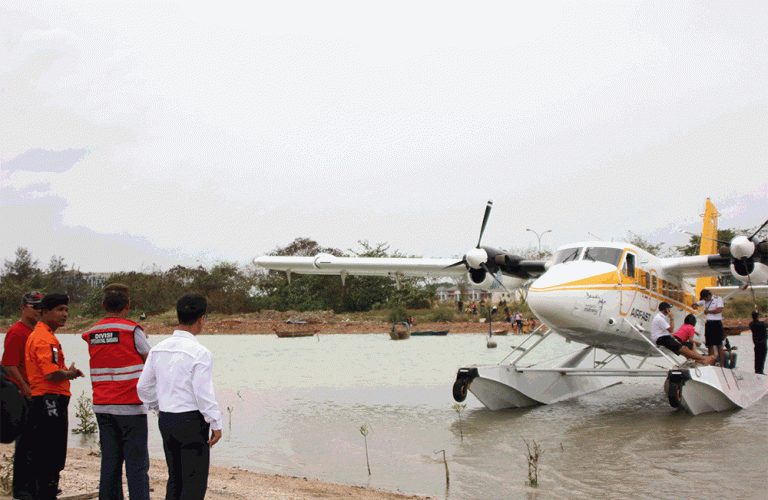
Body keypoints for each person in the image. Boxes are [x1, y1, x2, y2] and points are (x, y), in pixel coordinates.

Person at [137, 294, 222, 500]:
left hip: (167, 418)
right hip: (191, 420)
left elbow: (143, 387)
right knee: (194, 480)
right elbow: (203, 394)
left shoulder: (158, 349)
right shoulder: (200, 353)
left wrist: (157, 408)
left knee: (175, 476)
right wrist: (216, 423)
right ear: (201, 319)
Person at [82, 284, 151, 500]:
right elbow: (152, 362)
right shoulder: (132, 330)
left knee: (110, 462)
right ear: (128, 306)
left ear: (103, 305)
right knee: (136, 465)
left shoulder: (92, 333)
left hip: (102, 407)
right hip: (130, 407)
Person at [24, 293, 84, 500]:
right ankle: (45, 493)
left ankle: (44, 491)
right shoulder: (44, 338)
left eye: (66, 310)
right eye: (59, 310)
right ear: (45, 312)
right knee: (51, 454)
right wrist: (71, 374)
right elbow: (51, 373)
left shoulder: (44, 335)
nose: (65, 314)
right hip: (49, 399)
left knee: (46, 453)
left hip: (48, 398)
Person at [1, 291, 42, 500]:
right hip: (23, 393)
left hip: (36, 391)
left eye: (39, 307)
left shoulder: (35, 331)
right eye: (33, 307)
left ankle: (34, 485)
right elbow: (8, 363)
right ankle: (21, 489)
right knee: (25, 443)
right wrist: (25, 388)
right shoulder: (17, 332)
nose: (37, 311)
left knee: (36, 443)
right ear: (23, 308)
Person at [695, 289, 725, 366]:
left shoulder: (718, 299)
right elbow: (697, 304)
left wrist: (708, 312)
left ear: (708, 296)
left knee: (719, 345)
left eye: (705, 298)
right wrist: (694, 305)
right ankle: (711, 363)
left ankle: (722, 364)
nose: (705, 300)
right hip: (709, 323)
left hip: (717, 323)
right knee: (710, 345)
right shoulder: (704, 301)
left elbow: (719, 310)